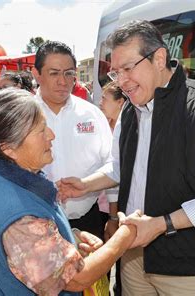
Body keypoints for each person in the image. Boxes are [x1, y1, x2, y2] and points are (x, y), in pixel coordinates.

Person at [58, 20, 195, 295]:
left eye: (128, 68)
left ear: (159, 58)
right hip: (134, 257)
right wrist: (87, 184)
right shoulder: (130, 111)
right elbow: (120, 166)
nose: (121, 82)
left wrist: (162, 224)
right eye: (116, 73)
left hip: (192, 269)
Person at [0, 88, 137, 295]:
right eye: (42, 129)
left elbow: (30, 248)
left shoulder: (9, 177)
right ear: (8, 147)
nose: (51, 135)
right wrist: (126, 234)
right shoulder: (17, 213)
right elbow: (75, 279)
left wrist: (72, 240)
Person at [31, 41, 115, 241]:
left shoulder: (92, 114)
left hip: (89, 221)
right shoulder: (23, 116)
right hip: (36, 225)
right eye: (54, 73)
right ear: (36, 74)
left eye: (69, 73)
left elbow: (112, 163)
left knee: (92, 272)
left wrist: (112, 216)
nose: (63, 81)